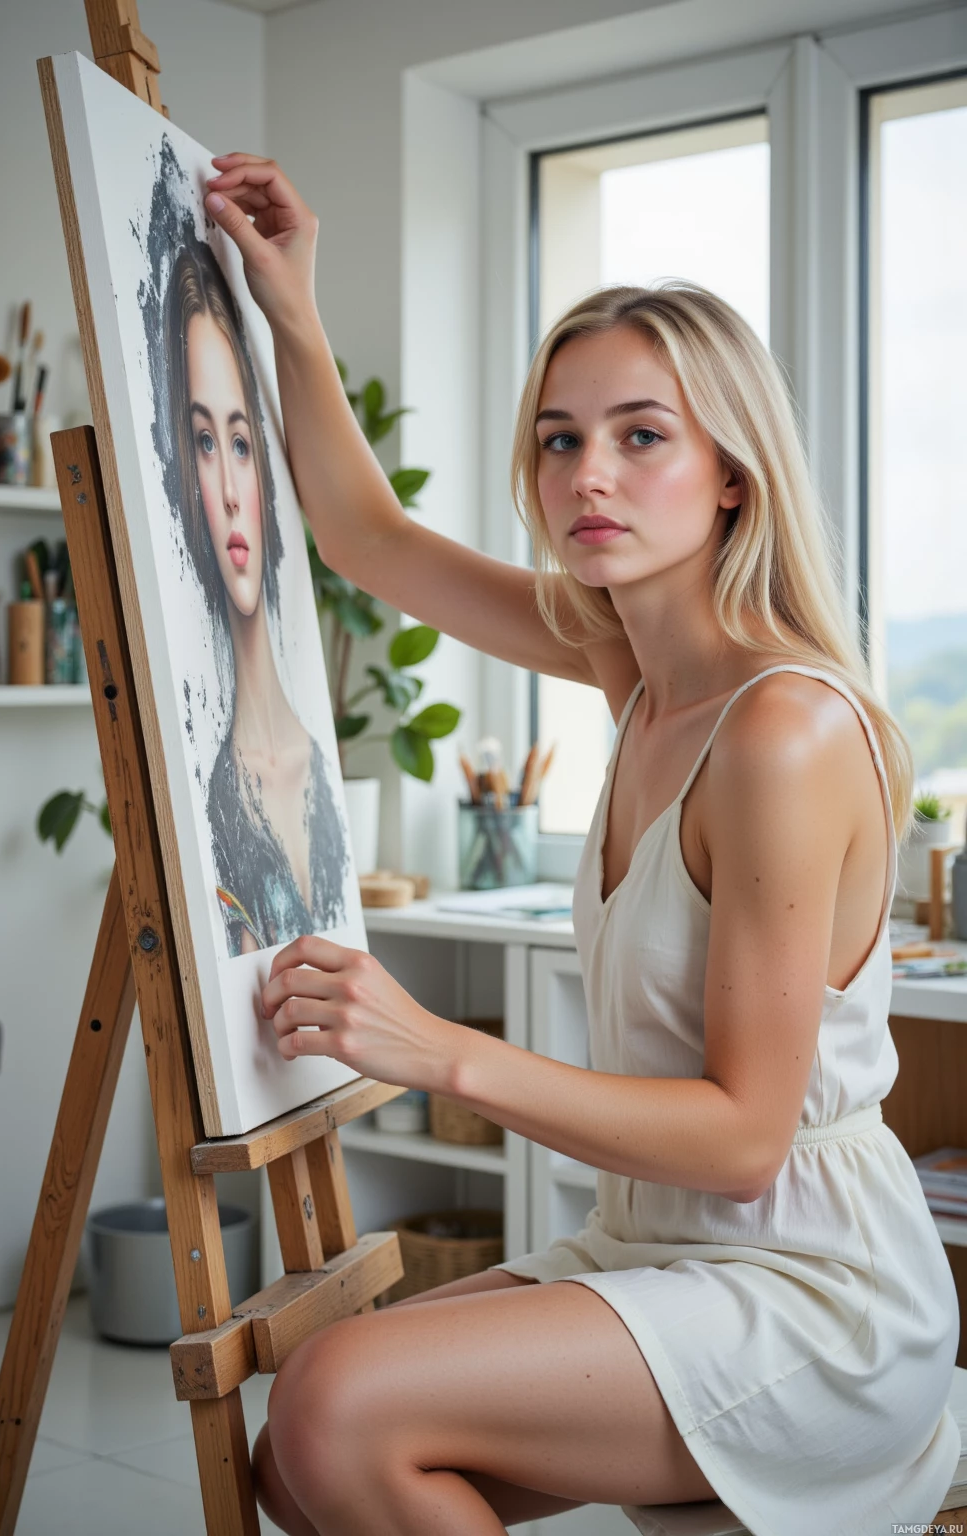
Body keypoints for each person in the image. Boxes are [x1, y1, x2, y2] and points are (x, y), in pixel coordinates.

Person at [203, 153, 961, 1535]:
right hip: (658, 1252)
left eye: (640, 435)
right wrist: (292, 309)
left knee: (332, 1408)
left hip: (811, 1292)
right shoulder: (628, 664)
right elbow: (368, 540)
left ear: (733, 473)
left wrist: (437, 1050)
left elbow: (744, 1139)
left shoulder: (782, 730)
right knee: (305, 1451)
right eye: (559, 438)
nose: (587, 475)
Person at [161, 240, 348, 955]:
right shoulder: (212, 803)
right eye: (204, 443)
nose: (233, 495)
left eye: (242, 444)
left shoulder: (320, 771)